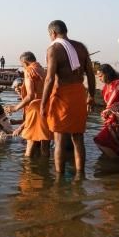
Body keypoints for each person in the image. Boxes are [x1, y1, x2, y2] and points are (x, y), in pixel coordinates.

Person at [41, 20, 95, 175]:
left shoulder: (54, 49)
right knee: (78, 139)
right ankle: (80, 175)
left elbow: (50, 79)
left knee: (59, 141)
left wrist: (43, 104)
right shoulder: (81, 47)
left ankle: (59, 178)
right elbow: (90, 74)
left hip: (62, 96)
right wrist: (90, 95)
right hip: (79, 93)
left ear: (53, 33)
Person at [7, 52, 52, 157]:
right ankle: (45, 170)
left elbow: (30, 96)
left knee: (30, 143)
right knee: (45, 144)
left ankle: (27, 172)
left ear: (25, 62)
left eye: (22, 65)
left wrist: (15, 108)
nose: (22, 67)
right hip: (47, 107)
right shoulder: (44, 71)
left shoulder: (29, 71)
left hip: (35, 108)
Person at [93, 64, 119, 159]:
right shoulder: (105, 88)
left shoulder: (118, 84)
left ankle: (115, 161)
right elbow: (108, 104)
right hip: (110, 118)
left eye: (101, 76)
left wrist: (109, 110)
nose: (99, 79)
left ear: (107, 74)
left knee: (100, 140)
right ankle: (116, 161)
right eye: (98, 77)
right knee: (109, 143)